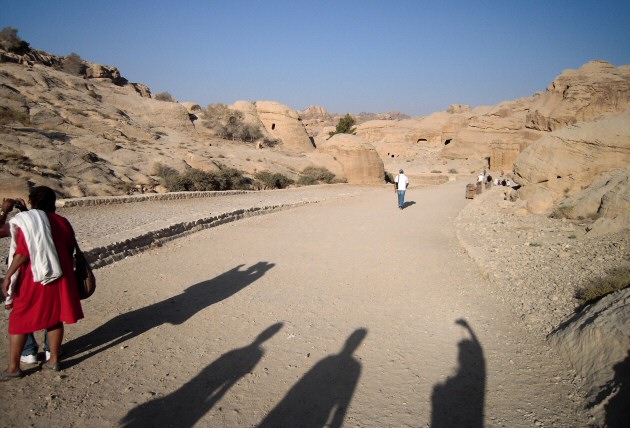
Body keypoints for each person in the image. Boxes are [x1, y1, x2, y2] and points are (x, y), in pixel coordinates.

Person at [1, 186, 84, 380]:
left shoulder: (27, 220)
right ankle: (53, 359)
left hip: (36, 278)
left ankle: (14, 368)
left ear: (32, 202)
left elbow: (23, 252)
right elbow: (68, 246)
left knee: (19, 319)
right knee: (55, 317)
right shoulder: (62, 221)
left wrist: (4, 211)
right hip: (61, 276)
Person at [1, 198, 50, 364]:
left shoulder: (23, 223)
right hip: (51, 271)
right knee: (52, 309)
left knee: (21, 312)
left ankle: (28, 351)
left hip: (27, 274)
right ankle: (52, 351)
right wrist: (24, 210)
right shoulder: (57, 221)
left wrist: (4, 211)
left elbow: (22, 251)